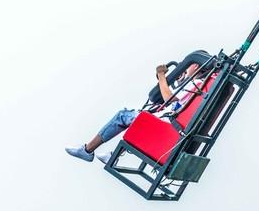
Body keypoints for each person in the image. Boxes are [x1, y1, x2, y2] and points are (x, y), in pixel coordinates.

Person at [65, 63, 203, 163]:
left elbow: (171, 101)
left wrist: (161, 76)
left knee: (123, 116)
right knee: (138, 119)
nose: (185, 69)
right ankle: (114, 155)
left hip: (165, 125)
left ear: (196, 66)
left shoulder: (196, 82)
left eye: (188, 65)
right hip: (172, 126)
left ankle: (87, 150)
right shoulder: (201, 87)